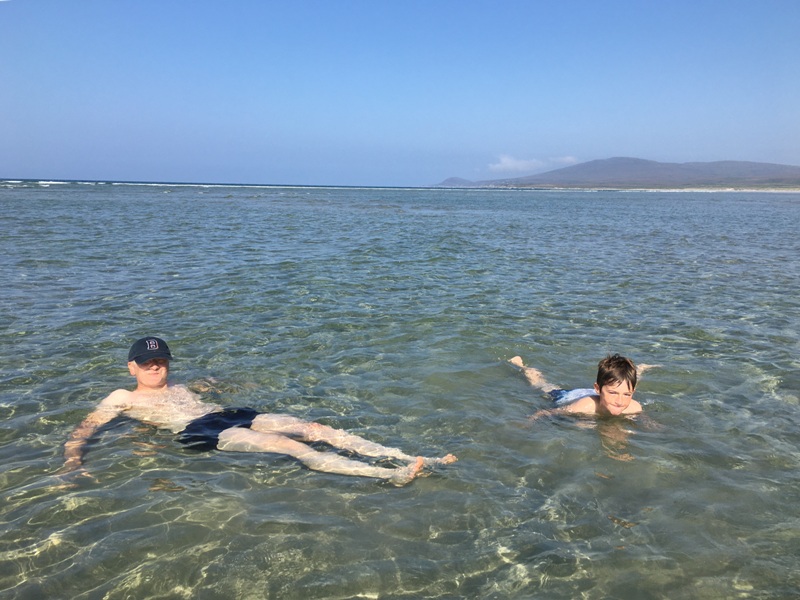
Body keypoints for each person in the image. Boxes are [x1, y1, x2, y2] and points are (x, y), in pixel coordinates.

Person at [62, 337, 457, 486]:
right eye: (147, 363)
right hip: (204, 432)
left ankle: (411, 457)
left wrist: (239, 383)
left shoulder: (183, 384)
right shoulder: (120, 397)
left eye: (161, 360)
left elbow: (216, 385)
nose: (155, 367)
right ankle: (390, 475)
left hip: (230, 413)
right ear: (131, 366)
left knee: (315, 427)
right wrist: (73, 462)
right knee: (290, 446)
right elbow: (85, 429)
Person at [508, 354, 656, 420]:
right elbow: (546, 412)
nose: (620, 401)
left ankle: (639, 369)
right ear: (598, 389)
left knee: (625, 381)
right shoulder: (583, 407)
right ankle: (521, 366)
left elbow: (646, 420)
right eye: (614, 393)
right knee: (542, 385)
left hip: (600, 394)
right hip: (571, 396)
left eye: (627, 395)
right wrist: (529, 420)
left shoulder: (634, 407)